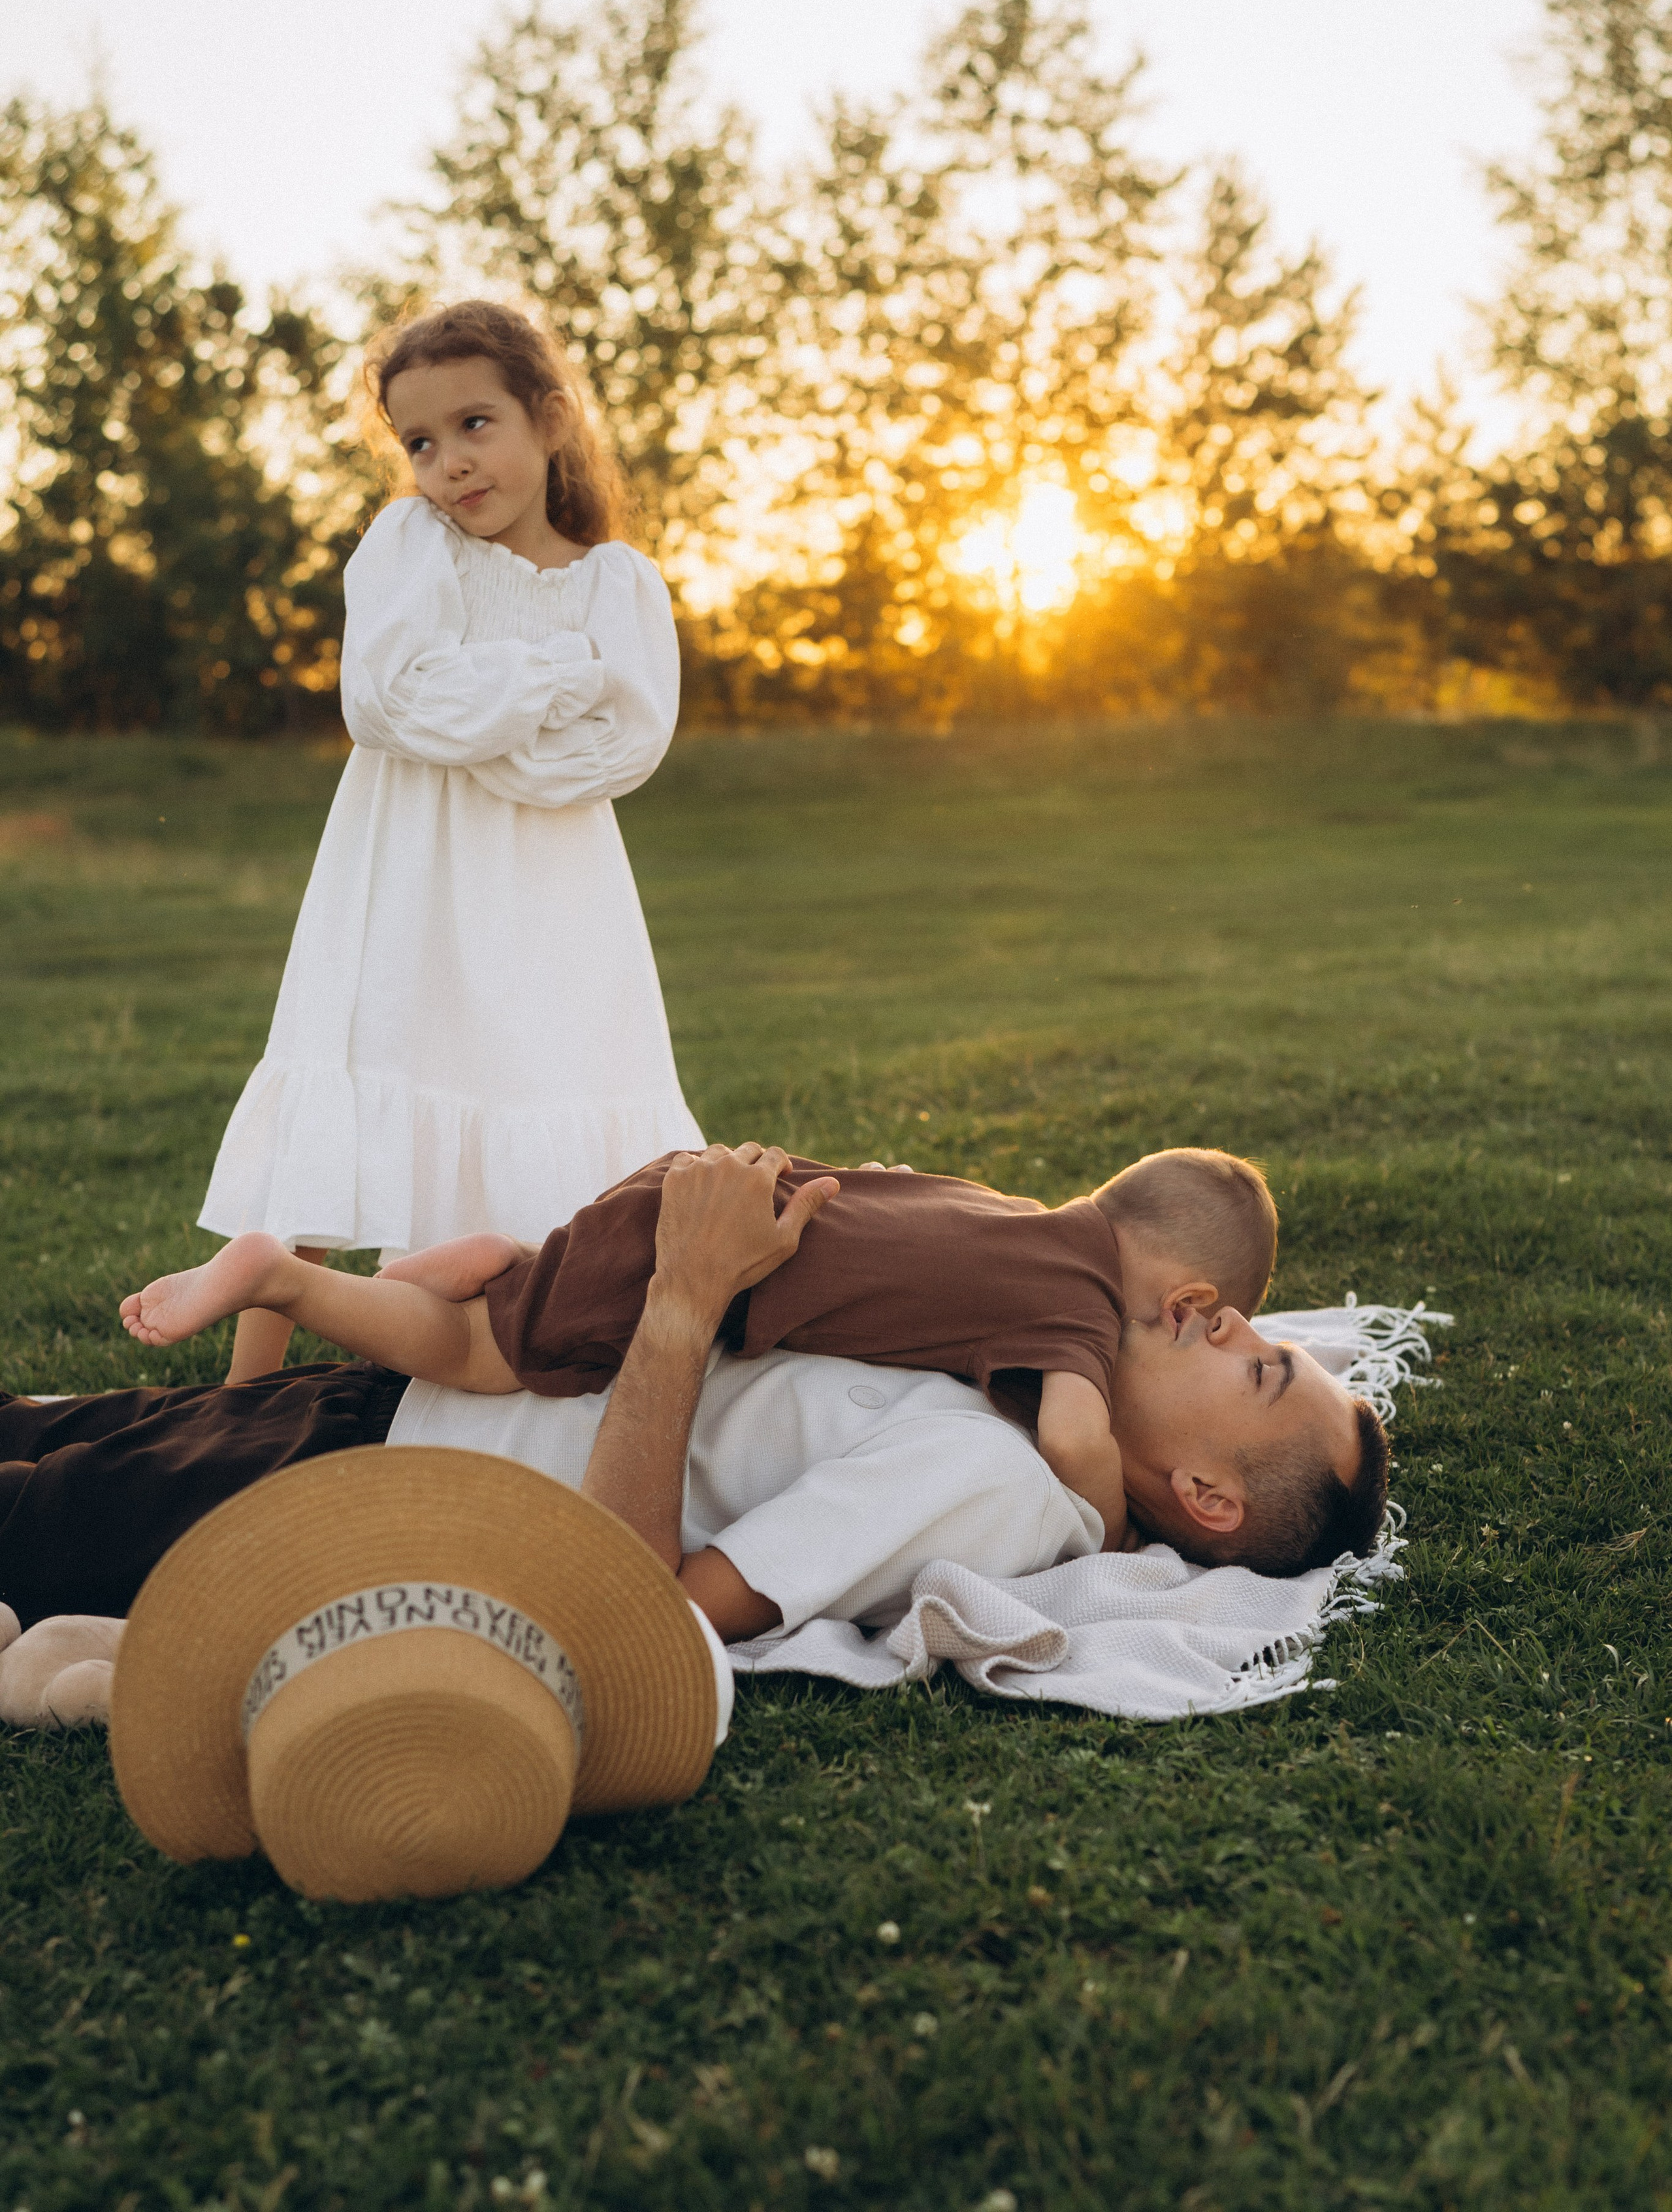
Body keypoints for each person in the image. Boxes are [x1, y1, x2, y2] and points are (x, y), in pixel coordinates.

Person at [7, 1147, 1386, 1644]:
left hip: (371, 1501)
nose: (1221, 1327)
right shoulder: (1026, 1374)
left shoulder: (1000, 1482)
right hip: (373, 1410)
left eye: (1254, 1364)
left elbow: (643, 1608)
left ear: (1205, 1496)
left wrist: (681, 1290)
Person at [197, 300, 703, 1383]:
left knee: (537, 1093)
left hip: (553, 899)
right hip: (408, 879)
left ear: (551, 417)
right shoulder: (408, 544)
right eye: (419, 443)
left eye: (476, 425)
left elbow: (620, 748)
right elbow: (385, 700)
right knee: (362, 1085)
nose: (449, 466)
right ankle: (239, 1406)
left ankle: (443, 1383)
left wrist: (480, 715)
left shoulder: (621, 584)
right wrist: (560, 677)